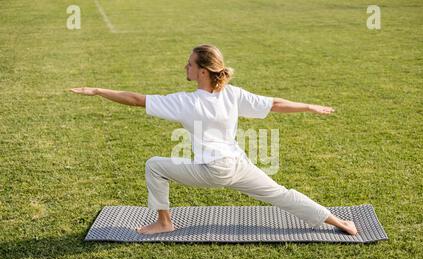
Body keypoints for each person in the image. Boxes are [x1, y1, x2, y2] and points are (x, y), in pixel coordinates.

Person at [70, 44, 357, 236]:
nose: (185, 68)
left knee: (155, 165)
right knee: (280, 194)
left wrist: (97, 90)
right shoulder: (232, 94)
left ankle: (164, 222)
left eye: (190, 64)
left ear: (203, 72)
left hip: (215, 169)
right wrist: (309, 106)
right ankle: (337, 222)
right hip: (237, 165)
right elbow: (275, 104)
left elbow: (135, 100)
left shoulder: (186, 102)